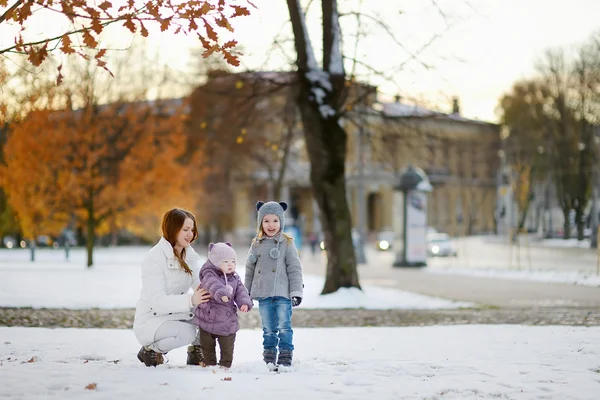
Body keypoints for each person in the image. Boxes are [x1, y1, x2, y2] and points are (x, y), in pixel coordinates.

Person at [133, 208, 211, 367]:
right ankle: (151, 350)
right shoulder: (154, 258)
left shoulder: (189, 254)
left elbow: (198, 280)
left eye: (192, 229)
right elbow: (157, 301)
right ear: (173, 229)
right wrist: (191, 300)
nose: (190, 234)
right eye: (185, 229)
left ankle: (195, 352)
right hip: (151, 319)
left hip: (174, 314)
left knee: (211, 312)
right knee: (187, 333)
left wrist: (215, 291)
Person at [245, 201, 304, 369]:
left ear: (281, 222)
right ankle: (269, 354)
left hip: (283, 293)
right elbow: (250, 270)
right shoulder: (256, 244)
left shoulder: (287, 243)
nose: (271, 225)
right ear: (260, 223)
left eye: (275, 221)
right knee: (268, 328)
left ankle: (285, 353)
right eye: (267, 221)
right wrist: (245, 293)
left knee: (284, 325)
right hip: (264, 294)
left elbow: (295, 268)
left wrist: (296, 291)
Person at [192, 242, 253, 368]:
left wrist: (244, 303)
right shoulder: (208, 274)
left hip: (227, 322)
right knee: (207, 346)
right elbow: (212, 284)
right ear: (215, 262)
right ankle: (210, 364)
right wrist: (221, 292)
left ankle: (225, 364)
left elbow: (241, 292)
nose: (230, 264)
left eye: (232, 261)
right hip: (208, 319)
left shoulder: (235, 278)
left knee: (227, 346)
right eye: (225, 261)